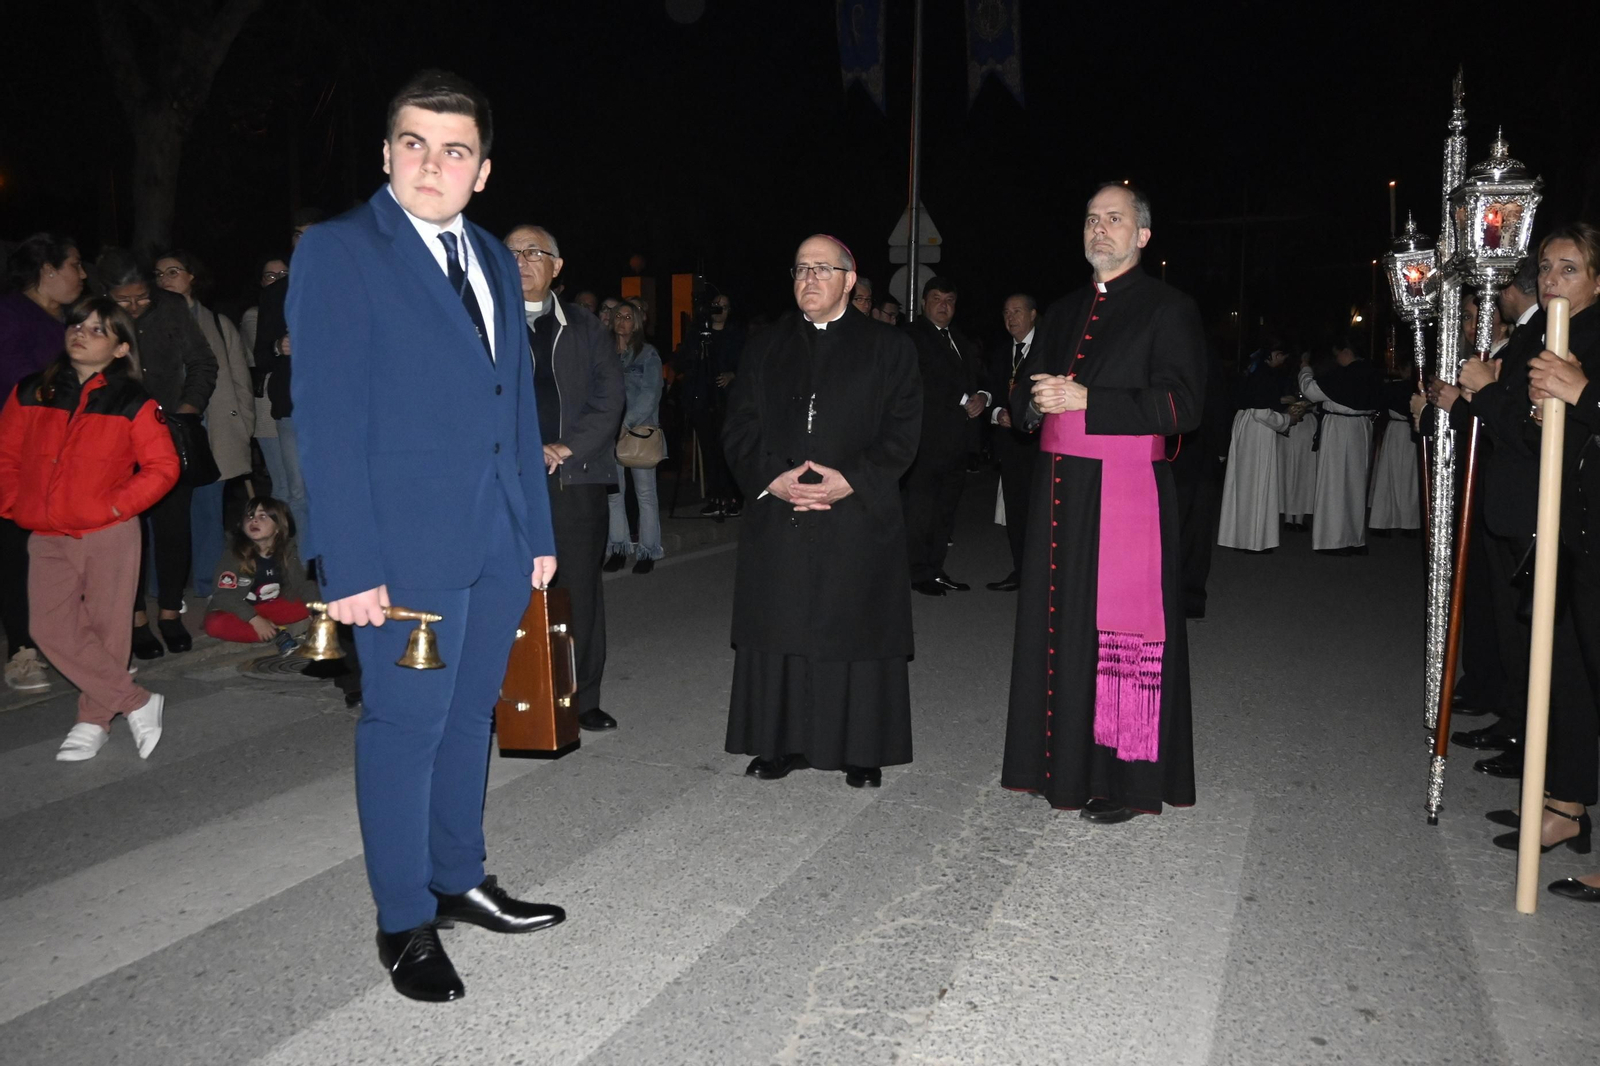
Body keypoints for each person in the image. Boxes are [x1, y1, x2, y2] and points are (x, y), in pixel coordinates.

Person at [287, 69, 564, 1003]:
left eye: (454, 150)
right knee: (404, 728)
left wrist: (536, 526)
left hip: (494, 537)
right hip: (399, 551)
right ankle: (403, 919)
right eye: (414, 144)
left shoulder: (490, 254)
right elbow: (323, 422)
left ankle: (458, 879)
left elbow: (514, 402)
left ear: (482, 170)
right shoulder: (339, 250)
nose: (431, 165)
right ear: (386, 153)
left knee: (471, 716)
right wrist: (350, 565)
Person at [1001, 182, 1206, 822]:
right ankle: (1058, 768)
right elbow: (1024, 401)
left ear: (1141, 236)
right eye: (1092, 219)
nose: (1100, 230)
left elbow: (1184, 406)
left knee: (1119, 636)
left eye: (1114, 220)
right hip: (1060, 499)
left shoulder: (1168, 309)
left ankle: (1128, 782)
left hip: (1124, 497)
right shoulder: (1060, 312)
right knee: (1061, 632)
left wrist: (1091, 400)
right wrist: (1033, 402)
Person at [722, 234, 921, 787]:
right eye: (800, 269)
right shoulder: (765, 347)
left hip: (855, 513)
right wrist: (773, 478)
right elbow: (738, 425)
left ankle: (861, 748)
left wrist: (851, 481)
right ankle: (780, 742)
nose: (808, 279)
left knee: (854, 629)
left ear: (849, 280)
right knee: (782, 624)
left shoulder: (889, 348)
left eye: (821, 269)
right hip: (782, 510)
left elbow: (903, 433)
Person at [0, 298, 179, 759]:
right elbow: (6, 457)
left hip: (108, 532)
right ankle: (135, 701)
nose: (81, 332)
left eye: (98, 329)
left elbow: (162, 467)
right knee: (49, 627)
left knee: (107, 631)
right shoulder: (30, 391)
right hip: (47, 533)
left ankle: (93, 718)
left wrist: (117, 506)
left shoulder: (133, 400)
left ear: (121, 348)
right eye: (78, 324)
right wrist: (15, 504)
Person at [505, 224, 624, 733]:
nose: (523, 261)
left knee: (579, 591)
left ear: (557, 266)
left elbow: (609, 399)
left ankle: (583, 697)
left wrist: (563, 447)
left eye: (535, 252)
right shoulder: (484, 324)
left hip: (575, 477)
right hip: (506, 479)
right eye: (512, 253)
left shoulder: (587, 327)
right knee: (507, 591)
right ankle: (509, 696)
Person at [101, 249, 218, 656]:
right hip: (115, 438)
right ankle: (135, 619)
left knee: (173, 527)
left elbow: (203, 362)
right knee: (127, 532)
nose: (134, 307)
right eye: (124, 300)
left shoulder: (170, 308)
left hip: (168, 433)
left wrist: (187, 409)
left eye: (141, 298)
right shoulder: (94, 315)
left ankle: (170, 613)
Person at [0, 234, 85, 691]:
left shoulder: (73, 318)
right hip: (21, 454)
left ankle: (71, 644)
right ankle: (22, 652)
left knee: (68, 551)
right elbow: (20, 383)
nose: (82, 274)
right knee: (17, 553)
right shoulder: (11, 315)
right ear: (46, 271)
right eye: (74, 264)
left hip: (72, 452)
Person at [154, 250, 256, 596]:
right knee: (162, 513)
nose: (165, 279)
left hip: (212, 430)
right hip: (161, 429)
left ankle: (207, 585)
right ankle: (158, 588)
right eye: (159, 274)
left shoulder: (216, 322)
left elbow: (241, 379)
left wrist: (243, 425)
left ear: (191, 276)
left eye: (173, 271)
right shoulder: (149, 320)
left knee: (207, 512)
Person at [904, 276, 987, 595]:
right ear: (924, 303)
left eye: (950, 300)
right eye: (937, 299)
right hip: (927, 442)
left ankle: (935, 568)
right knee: (921, 510)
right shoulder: (912, 336)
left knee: (945, 511)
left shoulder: (961, 340)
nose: (943, 306)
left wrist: (981, 395)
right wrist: (965, 400)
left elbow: (978, 377)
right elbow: (923, 381)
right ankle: (916, 572)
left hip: (958, 442)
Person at [1298, 337, 1379, 555]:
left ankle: (1332, 539)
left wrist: (1305, 368)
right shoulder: (1371, 372)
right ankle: (1354, 538)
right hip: (1362, 428)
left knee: (1334, 484)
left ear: (1346, 352)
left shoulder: (1345, 374)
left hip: (1340, 427)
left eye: (1338, 354)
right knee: (1355, 484)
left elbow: (1310, 390)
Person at [603, 300, 665, 574]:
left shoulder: (647, 354)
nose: (622, 321)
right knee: (614, 495)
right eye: (618, 316)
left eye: (628, 317)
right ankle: (618, 547)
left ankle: (648, 550)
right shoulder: (603, 353)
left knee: (645, 493)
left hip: (638, 432)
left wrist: (624, 424)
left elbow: (651, 395)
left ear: (637, 323)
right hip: (607, 433)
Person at [201, 497, 315, 645]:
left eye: (262, 516)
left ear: (278, 527)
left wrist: (315, 608)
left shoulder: (287, 551)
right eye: (250, 516)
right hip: (240, 612)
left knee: (321, 601)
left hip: (272, 606)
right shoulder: (235, 554)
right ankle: (277, 634)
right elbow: (223, 595)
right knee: (214, 625)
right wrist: (254, 619)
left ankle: (274, 628)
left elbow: (302, 584)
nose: (254, 520)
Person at [985, 293, 1039, 591]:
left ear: (1033, 315)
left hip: (1040, 445)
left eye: (1018, 311)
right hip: (1011, 446)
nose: (1011, 317)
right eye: (1006, 312)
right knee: (1017, 512)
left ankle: (1044, 574)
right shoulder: (1000, 353)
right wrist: (996, 413)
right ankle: (1021, 572)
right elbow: (991, 391)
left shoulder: (1049, 349)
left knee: (1043, 512)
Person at [1217, 346, 1296, 552]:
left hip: (1244, 424)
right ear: (1276, 354)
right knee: (1257, 482)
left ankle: (1240, 537)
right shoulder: (1264, 374)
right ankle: (1253, 540)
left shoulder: (1251, 370)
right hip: (1257, 430)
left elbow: (1254, 401)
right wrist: (1287, 419)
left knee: (1243, 483)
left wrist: (1279, 401)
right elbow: (1261, 412)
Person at [676, 291, 745, 518]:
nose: (719, 310)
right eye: (716, 305)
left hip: (727, 402)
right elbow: (682, 360)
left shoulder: (735, 334)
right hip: (702, 399)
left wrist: (732, 375)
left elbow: (746, 363)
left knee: (728, 450)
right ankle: (716, 497)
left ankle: (733, 498)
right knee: (709, 450)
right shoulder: (698, 334)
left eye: (724, 306)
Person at [1277, 351, 1317, 532]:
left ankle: (1298, 518)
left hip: (1305, 425)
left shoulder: (1311, 377)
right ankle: (1288, 516)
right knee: (1289, 468)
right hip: (1289, 423)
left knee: (1302, 470)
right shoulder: (1287, 377)